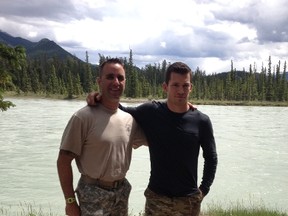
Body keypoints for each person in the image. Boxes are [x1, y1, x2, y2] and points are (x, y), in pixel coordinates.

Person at [87, 61, 218, 216]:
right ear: (165, 87)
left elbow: (211, 157)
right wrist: (98, 96)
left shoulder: (201, 121)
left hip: (188, 200)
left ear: (191, 87)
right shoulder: (151, 112)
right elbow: (120, 109)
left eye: (185, 85)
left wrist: (203, 190)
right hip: (157, 198)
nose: (181, 90)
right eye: (175, 85)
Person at [57, 58, 146, 216]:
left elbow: (157, 138)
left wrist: (183, 107)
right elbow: (63, 161)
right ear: (99, 81)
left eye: (120, 78)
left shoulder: (129, 120)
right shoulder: (83, 117)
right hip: (93, 194)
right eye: (110, 77)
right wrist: (70, 202)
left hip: (121, 193)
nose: (116, 82)